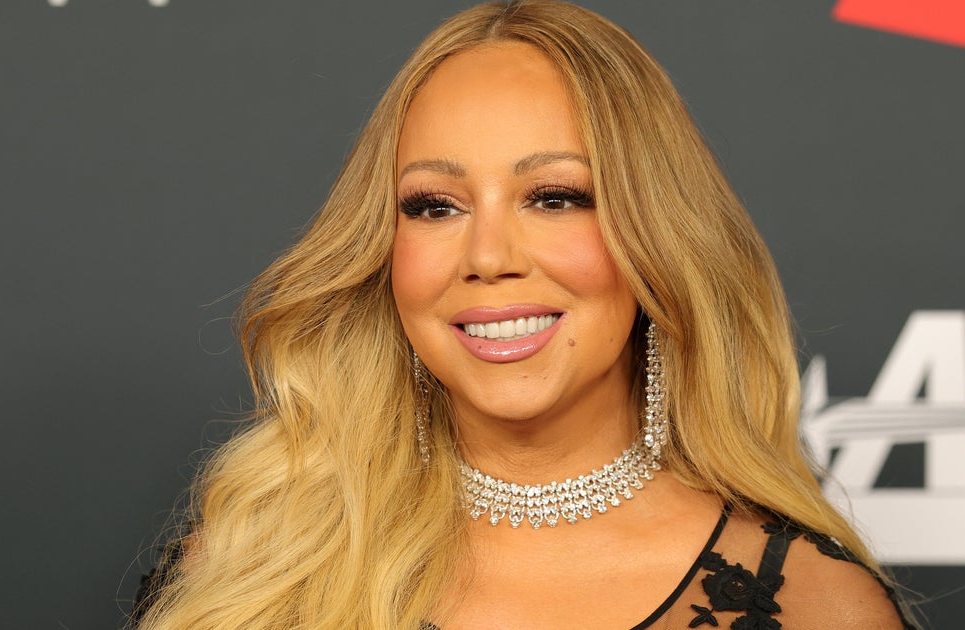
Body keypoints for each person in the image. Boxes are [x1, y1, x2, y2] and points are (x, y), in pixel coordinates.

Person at [132, 1, 918, 628]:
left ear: (656, 237)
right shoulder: (248, 574)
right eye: (435, 206)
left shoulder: (816, 607)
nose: (488, 255)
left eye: (554, 197)